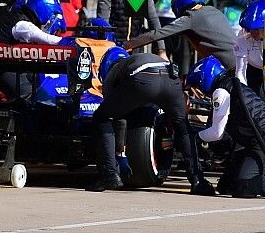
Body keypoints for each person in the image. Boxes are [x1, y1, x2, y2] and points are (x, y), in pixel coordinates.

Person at [87, 46, 214, 195]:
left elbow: (117, 118)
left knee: (101, 117)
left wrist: (120, 154)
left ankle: (109, 174)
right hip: (170, 78)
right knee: (182, 126)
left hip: (143, 78)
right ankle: (197, 180)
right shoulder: (138, 58)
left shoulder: (114, 72)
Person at [187, 56, 265, 199]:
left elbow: (217, 133)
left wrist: (195, 136)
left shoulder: (221, 92)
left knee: (242, 186)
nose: (199, 91)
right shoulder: (234, 86)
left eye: (198, 85)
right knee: (226, 186)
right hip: (260, 142)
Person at [123, 0, 237, 70]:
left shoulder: (190, 18)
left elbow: (156, 34)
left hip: (228, 68)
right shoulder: (214, 10)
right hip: (242, 61)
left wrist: (127, 45)